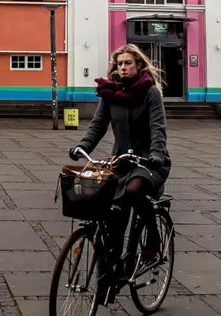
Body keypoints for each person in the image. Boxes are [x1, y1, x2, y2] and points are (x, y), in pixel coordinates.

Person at [70, 45, 171, 265]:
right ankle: (111, 269)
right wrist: (83, 147)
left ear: (138, 65)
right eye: (119, 63)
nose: (123, 68)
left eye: (127, 63)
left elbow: (158, 128)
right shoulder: (110, 94)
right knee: (109, 208)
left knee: (134, 190)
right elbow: (97, 126)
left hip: (149, 162)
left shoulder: (150, 92)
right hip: (121, 162)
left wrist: (157, 153)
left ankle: (152, 236)